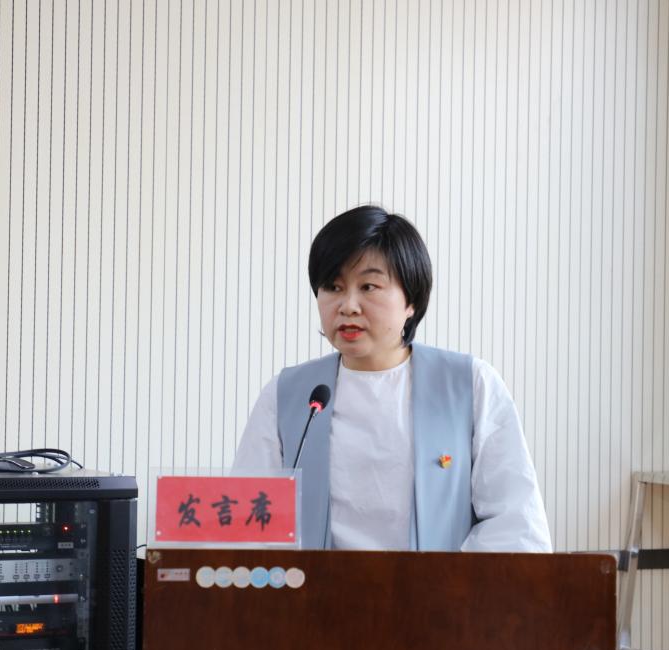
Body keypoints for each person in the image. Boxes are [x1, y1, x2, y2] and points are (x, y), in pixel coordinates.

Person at [233, 205, 551, 554]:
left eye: (368, 286)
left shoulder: (469, 385)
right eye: (333, 287)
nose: (348, 305)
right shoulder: (289, 395)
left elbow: (516, 527)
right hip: (314, 589)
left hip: (439, 589)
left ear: (411, 300)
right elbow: (246, 523)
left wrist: (444, 584)